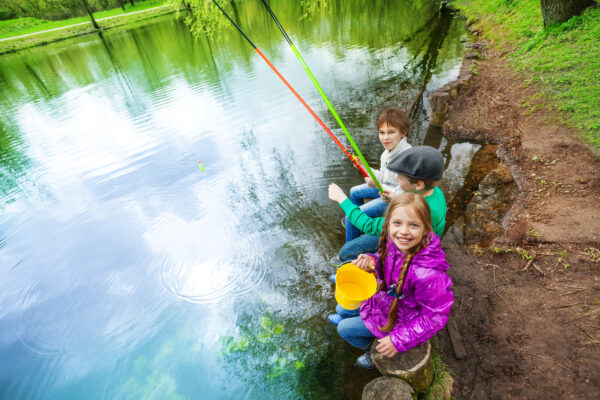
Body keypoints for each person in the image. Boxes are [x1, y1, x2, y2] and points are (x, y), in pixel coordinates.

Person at [328, 193, 454, 369]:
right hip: (388, 302)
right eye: (397, 223)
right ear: (388, 223)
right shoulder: (396, 243)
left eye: (414, 225)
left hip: (404, 320)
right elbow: (387, 263)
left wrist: (398, 339)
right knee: (341, 308)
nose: (403, 231)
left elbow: (436, 316)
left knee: (344, 329)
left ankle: (372, 349)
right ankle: (358, 325)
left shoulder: (429, 276)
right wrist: (372, 262)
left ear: (426, 229)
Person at [329, 146, 447, 271]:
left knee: (346, 252)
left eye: (400, 177)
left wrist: (342, 200)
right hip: (419, 241)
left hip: (407, 246)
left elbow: (370, 225)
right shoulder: (435, 192)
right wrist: (394, 197)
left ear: (419, 184)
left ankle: (347, 265)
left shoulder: (413, 212)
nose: (396, 179)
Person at [344, 108, 412, 243]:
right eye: (382, 133)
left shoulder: (406, 157)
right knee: (354, 192)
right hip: (384, 188)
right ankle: (357, 226)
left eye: (391, 132)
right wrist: (364, 166)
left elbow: (404, 194)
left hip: (395, 199)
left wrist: (377, 185)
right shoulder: (387, 153)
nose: (385, 137)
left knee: (351, 217)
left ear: (403, 133)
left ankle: (350, 250)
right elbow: (382, 176)